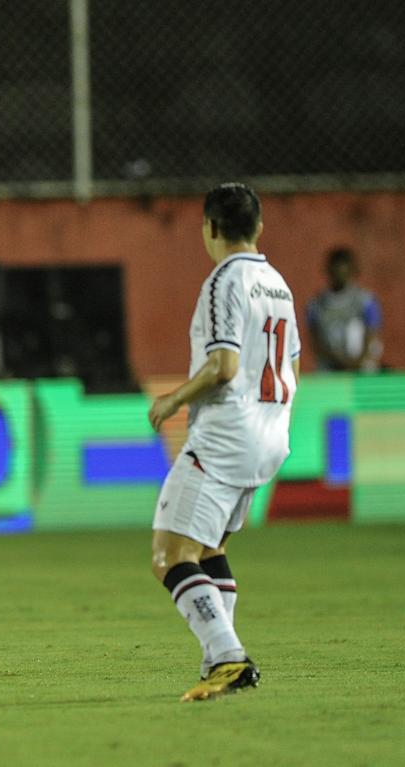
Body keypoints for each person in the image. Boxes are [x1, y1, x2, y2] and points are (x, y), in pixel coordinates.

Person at [147, 182, 300, 702]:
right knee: (209, 549)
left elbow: (224, 364)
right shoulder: (277, 284)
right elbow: (293, 364)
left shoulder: (223, 281)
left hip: (224, 436)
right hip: (268, 436)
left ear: (209, 228)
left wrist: (172, 401)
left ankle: (231, 658)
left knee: (170, 555)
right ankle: (218, 660)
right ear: (258, 228)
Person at [306, 247, 383, 371]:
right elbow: (315, 340)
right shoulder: (316, 304)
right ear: (329, 270)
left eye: (344, 269)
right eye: (336, 269)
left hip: (361, 368)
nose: (340, 273)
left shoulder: (365, 301)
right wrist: (337, 361)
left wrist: (358, 361)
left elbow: (372, 333)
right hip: (330, 369)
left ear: (352, 270)